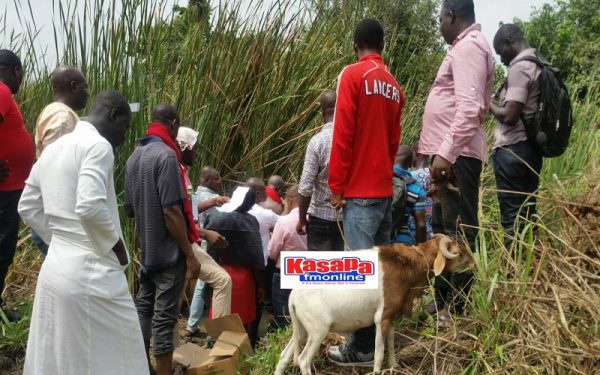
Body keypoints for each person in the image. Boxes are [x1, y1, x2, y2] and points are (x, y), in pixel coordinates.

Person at [18, 90, 148, 374]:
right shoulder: (98, 146)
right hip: (94, 272)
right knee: (124, 352)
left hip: (56, 270)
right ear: (113, 114)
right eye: (125, 127)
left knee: (66, 356)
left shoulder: (54, 147)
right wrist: (117, 248)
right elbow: (89, 207)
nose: (125, 136)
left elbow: (27, 205)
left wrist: (59, 241)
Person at [327, 19, 404, 367]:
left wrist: (336, 186)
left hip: (359, 194)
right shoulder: (394, 86)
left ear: (356, 45)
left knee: (359, 276)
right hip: (385, 194)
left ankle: (358, 349)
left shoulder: (352, 75)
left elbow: (342, 134)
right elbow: (393, 143)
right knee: (382, 276)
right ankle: (379, 341)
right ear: (382, 46)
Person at [418, 0, 494, 320]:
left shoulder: (470, 48)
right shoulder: (462, 48)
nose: (439, 24)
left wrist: (445, 153)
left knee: (458, 233)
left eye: (440, 18)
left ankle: (459, 310)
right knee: (442, 232)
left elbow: (470, 109)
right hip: (447, 159)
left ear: (451, 15)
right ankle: (442, 301)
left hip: (456, 158)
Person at [124, 104, 201, 375]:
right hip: (169, 255)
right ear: (173, 123)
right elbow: (171, 211)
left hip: (147, 252)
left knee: (144, 309)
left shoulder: (134, 156)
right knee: (165, 319)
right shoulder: (167, 156)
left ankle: (143, 368)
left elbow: (131, 210)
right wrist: (190, 255)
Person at [489, 24, 543, 245]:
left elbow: (510, 114)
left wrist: (489, 104)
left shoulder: (520, 68)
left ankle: (514, 274)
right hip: (530, 150)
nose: (501, 60)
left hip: (512, 150)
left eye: (501, 52)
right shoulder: (539, 65)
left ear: (509, 41)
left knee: (512, 219)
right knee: (528, 216)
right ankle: (532, 269)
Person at [175, 130, 231, 337]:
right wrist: (205, 233)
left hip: (190, 240)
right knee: (221, 280)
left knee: (175, 298)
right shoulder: (174, 171)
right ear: (186, 147)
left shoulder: (182, 172)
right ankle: (218, 342)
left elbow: (189, 209)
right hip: (184, 242)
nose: (197, 153)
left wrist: (214, 201)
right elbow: (173, 215)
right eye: (195, 148)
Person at [31, 66, 89, 257]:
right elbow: (57, 169)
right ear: (73, 87)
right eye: (85, 87)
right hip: (57, 221)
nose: (88, 93)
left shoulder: (56, 112)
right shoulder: (62, 117)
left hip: (52, 216)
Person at [0, 50, 34, 322]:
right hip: (4, 192)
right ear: (16, 71)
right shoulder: (1, 90)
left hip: (9, 190)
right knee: (2, 249)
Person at [204, 187, 265, 336]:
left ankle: (216, 347)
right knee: (240, 321)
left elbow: (209, 250)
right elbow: (256, 258)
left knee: (219, 314)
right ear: (248, 203)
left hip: (217, 272)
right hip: (243, 277)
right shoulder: (250, 221)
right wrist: (261, 285)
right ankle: (237, 352)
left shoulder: (214, 216)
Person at [297, 90, 344, 252]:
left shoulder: (317, 142)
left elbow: (305, 188)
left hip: (320, 218)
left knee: (320, 273)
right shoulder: (352, 140)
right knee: (343, 272)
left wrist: (302, 220)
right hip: (347, 217)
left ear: (322, 112)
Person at [268, 184, 307, 330]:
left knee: (283, 317)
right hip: (309, 271)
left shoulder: (284, 222)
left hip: (285, 272)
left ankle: (285, 347)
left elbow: (272, 252)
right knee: (305, 317)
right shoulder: (314, 220)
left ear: (290, 200)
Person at [246, 177, 279, 347]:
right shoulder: (265, 214)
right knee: (261, 300)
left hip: (243, 264)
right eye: (264, 193)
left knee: (246, 300)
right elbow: (283, 224)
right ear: (258, 193)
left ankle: (245, 338)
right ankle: (253, 339)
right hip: (263, 265)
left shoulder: (234, 209)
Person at [391, 146, 428, 245]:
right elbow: (421, 225)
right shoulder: (416, 188)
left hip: (379, 240)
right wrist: (422, 250)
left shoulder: (381, 178)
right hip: (402, 243)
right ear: (411, 163)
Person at [409, 138, 434, 244]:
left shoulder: (410, 177)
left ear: (416, 151)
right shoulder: (435, 174)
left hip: (415, 232)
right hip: (434, 232)